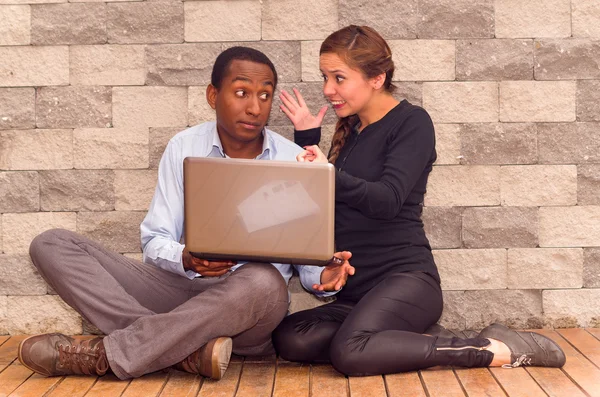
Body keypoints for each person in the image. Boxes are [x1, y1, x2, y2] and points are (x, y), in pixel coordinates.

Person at [17, 46, 354, 381]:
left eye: (265, 96)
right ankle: (183, 351)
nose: (254, 107)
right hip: (182, 289)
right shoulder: (184, 146)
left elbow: (305, 262)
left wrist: (323, 277)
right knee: (51, 244)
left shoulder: (292, 158)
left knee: (264, 280)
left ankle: (116, 353)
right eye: (241, 93)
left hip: (249, 309)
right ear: (213, 95)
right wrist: (187, 259)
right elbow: (154, 240)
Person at [272, 25, 566, 376]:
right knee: (291, 338)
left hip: (407, 281)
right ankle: (405, 339)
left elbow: (387, 201)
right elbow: (325, 204)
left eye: (338, 78)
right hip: (359, 292)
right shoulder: (352, 132)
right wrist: (308, 140)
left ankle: (490, 348)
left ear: (377, 78)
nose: (327, 90)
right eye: (325, 77)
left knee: (350, 353)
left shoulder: (412, 123)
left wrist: (328, 173)